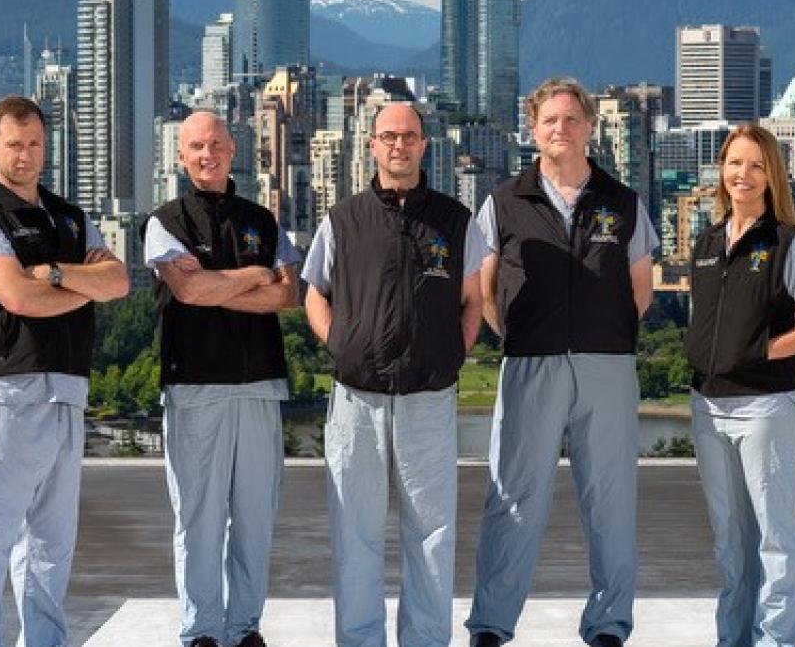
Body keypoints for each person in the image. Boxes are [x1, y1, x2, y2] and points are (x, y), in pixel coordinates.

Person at [467, 77, 658, 647]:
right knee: (513, 494)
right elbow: (484, 288)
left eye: (571, 120)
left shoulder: (623, 202)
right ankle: (493, 623)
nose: (561, 129)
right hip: (531, 363)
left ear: (590, 128)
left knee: (611, 498)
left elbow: (641, 290)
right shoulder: (503, 202)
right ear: (533, 130)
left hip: (607, 364)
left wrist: (607, 335)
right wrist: (522, 335)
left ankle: (608, 624)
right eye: (550, 121)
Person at [0, 95, 130, 646]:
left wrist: (51, 273)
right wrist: (82, 286)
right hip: (6, 391)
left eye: (34, 145)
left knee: (53, 546)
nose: (24, 156)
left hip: (68, 391)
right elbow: (19, 299)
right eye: (13, 145)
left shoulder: (72, 218)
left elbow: (119, 283)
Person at [302, 102, 486, 647]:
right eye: (388, 136)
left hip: (428, 397)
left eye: (409, 136)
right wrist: (339, 342)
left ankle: (426, 640)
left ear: (425, 145)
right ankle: (359, 641)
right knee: (354, 532)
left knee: (431, 532)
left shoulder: (456, 221)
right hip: (355, 400)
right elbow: (315, 293)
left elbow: (473, 300)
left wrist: (452, 352)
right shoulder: (343, 219)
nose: (399, 146)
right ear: (372, 145)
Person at [145, 111, 300, 647]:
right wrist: (255, 275)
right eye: (195, 146)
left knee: (255, 517)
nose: (206, 154)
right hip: (193, 386)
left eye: (215, 144)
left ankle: (245, 626)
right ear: (180, 156)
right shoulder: (165, 221)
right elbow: (187, 293)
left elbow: (288, 295)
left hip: (259, 383)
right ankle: (202, 630)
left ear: (234, 150)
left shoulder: (264, 220)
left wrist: (220, 283)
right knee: (199, 518)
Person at [684, 124, 795, 647]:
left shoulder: (788, 243)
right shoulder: (705, 242)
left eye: (754, 165)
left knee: (776, 535)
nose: (742, 175)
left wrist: (763, 349)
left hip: (766, 406)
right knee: (730, 539)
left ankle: (775, 640)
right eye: (733, 164)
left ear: (772, 175)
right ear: (721, 171)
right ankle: (734, 639)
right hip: (708, 405)